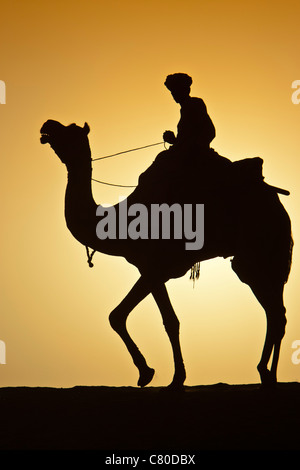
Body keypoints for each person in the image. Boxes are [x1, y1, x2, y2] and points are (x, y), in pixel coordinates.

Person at [163, 73, 216, 158]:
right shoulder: (183, 110)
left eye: (176, 90)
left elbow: (209, 131)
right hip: (186, 152)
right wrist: (173, 140)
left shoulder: (196, 103)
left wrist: (196, 147)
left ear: (186, 90)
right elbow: (184, 140)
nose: (173, 94)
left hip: (196, 153)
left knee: (163, 157)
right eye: (172, 91)